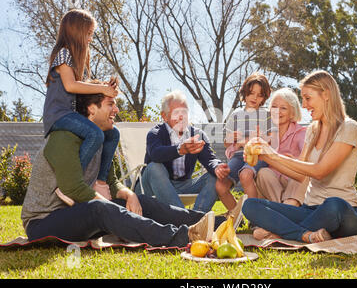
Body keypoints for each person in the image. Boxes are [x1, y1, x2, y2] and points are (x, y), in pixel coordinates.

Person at [21, 92, 228, 247]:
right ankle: (182, 237)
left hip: (77, 214)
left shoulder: (100, 140)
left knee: (144, 202)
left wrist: (129, 195)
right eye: (110, 104)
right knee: (102, 208)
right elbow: (73, 188)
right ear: (91, 108)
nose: (117, 110)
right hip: (44, 223)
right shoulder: (64, 137)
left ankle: (215, 223)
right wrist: (116, 209)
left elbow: (111, 182)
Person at [243, 70, 357, 243]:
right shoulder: (313, 130)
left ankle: (281, 233)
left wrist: (274, 155)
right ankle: (305, 235)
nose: (305, 105)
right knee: (251, 205)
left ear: (326, 95)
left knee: (332, 204)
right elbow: (300, 175)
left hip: (343, 212)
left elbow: (319, 171)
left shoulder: (349, 128)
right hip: (310, 210)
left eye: (308, 98)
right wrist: (265, 156)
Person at [43, 8, 119, 200]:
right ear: (77, 32)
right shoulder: (63, 54)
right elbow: (70, 85)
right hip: (59, 116)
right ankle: (71, 185)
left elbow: (82, 87)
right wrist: (102, 90)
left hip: (71, 115)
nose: (90, 39)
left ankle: (100, 181)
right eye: (89, 34)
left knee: (112, 133)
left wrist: (104, 87)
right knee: (94, 133)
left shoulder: (73, 58)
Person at [136, 90, 245, 223]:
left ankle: (195, 221)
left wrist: (217, 167)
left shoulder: (197, 134)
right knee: (155, 167)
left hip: (184, 185)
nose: (182, 117)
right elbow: (155, 154)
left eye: (185, 112)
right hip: (152, 184)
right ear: (164, 116)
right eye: (176, 112)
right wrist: (180, 149)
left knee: (213, 175)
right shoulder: (155, 133)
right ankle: (187, 221)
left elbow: (209, 158)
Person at [216, 72, 274, 211]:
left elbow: (271, 139)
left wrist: (261, 138)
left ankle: (256, 219)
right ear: (245, 92)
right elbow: (226, 141)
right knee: (220, 186)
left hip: (257, 156)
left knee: (246, 175)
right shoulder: (236, 115)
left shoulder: (266, 115)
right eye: (252, 93)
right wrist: (235, 138)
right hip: (238, 156)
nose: (255, 97)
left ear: (264, 98)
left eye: (259, 95)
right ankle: (238, 218)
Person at [255, 88, 308, 207]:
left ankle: (284, 211)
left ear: (293, 113)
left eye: (283, 108)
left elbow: (308, 160)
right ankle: (286, 210)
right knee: (263, 173)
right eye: (274, 107)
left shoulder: (301, 133)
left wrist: (294, 159)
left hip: (294, 184)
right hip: (273, 185)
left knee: (300, 175)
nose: (277, 111)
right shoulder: (267, 134)